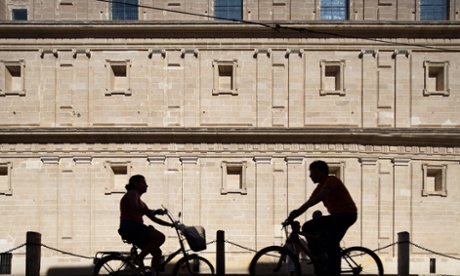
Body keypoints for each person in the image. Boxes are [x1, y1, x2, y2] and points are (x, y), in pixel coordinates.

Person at [287, 160, 357, 276]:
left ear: (321, 171)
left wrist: (298, 212)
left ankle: (333, 271)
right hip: (337, 216)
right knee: (310, 228)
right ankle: (321, 257)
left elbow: (320, 196)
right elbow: (309, 202)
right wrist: (295, 214)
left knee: (331, 243)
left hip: (346, 215)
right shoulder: (320, 186)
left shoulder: (331, 180)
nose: (310, 176)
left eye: (312, 172)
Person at [118, 174, 173, 274]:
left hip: (134, 228)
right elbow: (134, 207)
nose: (146, 185)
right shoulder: (132, 193)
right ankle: (139, 258)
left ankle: (154, 273)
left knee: (157, 253)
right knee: (160, 237)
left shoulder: (142, 203)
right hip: (130, 225)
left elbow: (154, 219)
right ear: (135, 183)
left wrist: (171, 225)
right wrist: (153, 211)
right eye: (143, 182)